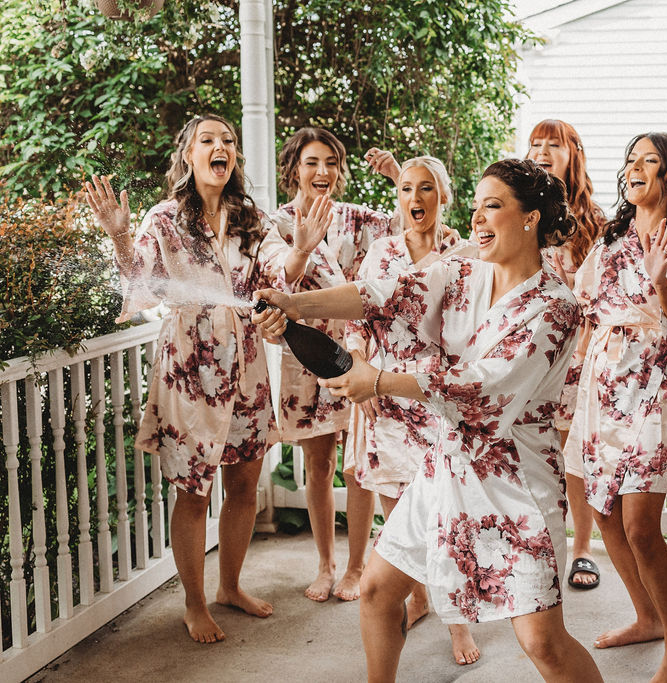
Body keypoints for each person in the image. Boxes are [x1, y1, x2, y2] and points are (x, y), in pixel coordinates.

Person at [253, 159, 603, 683]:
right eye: (477, 205)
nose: (479, 218)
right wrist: (292, 304)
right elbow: (380, 294)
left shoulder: (555, 308)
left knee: (541, 641)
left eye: (495, 205)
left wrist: (380, 382)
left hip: (514, 483)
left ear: (530, 218)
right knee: (376, 591)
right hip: (446, 468)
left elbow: (484, 387)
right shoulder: (462, 271)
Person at [82, 114, 313, 643]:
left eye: (228, 141)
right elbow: (139, 282)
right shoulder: (163, 219)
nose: (220, 147)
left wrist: (300, 246)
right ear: (189, 154)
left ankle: (229, 586)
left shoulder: (251, 217)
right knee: (192, 490)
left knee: (245, 482)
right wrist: (119, 236)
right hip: (189, 368)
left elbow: (280, 274)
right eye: (208, 140)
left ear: (234, 157)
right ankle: (193, 602)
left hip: (247, 367)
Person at [564, 133, 667, 682]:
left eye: (648, 162)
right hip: (601, 384)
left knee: (641, 525)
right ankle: (646, 616)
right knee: (604, 513)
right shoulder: (611, 237)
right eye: (630, 160)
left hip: (655, 387)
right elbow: (582, 308)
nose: (635, 169)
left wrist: (663, 288)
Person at [344, 155, 480, 665]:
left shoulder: (465, 253)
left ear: (443, 196)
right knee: (396, 506)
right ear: (397, 196)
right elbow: (359, 314)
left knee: (445, 511)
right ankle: (417, 595)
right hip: (384, 393)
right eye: (406, 189)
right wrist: (359, 363)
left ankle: (457, 623)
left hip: (438, 395)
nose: (415, 198)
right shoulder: (380, 251)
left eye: (426, 189)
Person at [263, 127, 397, 602]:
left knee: (359, 465)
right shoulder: (275, 222)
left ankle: (357, 567)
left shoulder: (358, 219)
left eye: (331, 163)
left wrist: (397, 174)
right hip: (306, 355)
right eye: (312, 162)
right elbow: (279, 275)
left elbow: (417, 226)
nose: (322, 172)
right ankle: (325, 564)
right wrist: (302, 245)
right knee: (319, 463)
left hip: (359, 352)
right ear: (294, 169)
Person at [524, 119, 606, 590]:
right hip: (527, 353)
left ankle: (580, 549)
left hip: (576, 352)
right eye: (535, 143)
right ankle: (539, 545)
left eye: (552, 144)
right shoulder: (519, 210)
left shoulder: (593, 220)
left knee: (571, 452)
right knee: (533, 448)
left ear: (572, 152)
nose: (542, 150)